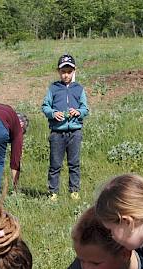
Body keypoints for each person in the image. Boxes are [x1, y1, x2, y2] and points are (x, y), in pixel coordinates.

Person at [42, 54, 89, 202]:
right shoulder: (53, 88)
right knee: (55, 164)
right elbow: (45, 106)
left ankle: (74, 191)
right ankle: (53, 192)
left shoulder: (79, 89)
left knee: (74, 163)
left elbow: (85, 108)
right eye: (63, 71)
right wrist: (53, 113)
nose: (66, 75)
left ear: (74, 71)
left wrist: (79, 112)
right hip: (57, 133)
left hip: (74, 132)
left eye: (69, 71)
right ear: (58, 72)